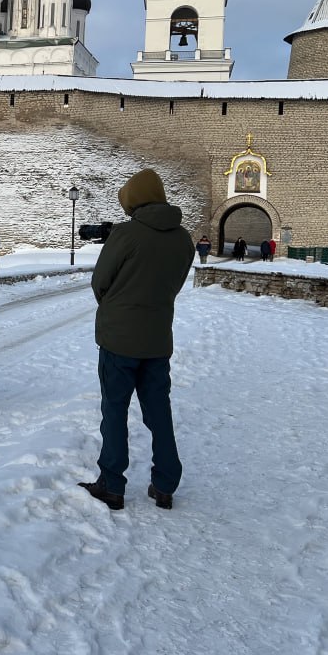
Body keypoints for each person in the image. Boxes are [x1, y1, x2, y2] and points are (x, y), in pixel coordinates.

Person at [81, 168, 194, 512]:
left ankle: (112, 484)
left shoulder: (126, 234)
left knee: (114, 410)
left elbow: (100, 282)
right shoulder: (184, 239)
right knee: (159, 412)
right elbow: (172, 285)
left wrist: (117, 306)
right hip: (157, 339)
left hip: (119, 338)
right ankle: (165, 484)